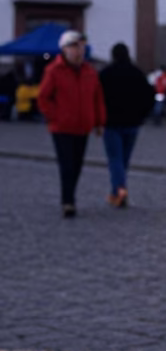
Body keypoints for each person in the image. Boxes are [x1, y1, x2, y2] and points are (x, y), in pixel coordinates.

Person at [37, 30, 106, 217]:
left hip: (83, 127)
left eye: (81, 47)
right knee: (67, 164)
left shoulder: (90, 72)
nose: (79, 51)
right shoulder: (54, 70)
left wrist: (99, 122)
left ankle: (70, 196)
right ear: (64, 49)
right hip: (62, 127)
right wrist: (56, 116)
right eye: (74, 46)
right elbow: (43, 97)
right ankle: (68, 201)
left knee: (77, 164)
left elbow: (97, 98)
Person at [99, 43, 155, 207]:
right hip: (132, 123)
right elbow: (149, 96)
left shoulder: (105, 74)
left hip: (111, 123)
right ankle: (117, 190)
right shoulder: (137, 73)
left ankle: (119, 191)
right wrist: (142, 116)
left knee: (115, 159)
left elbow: (97, 97)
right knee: (124, 160)